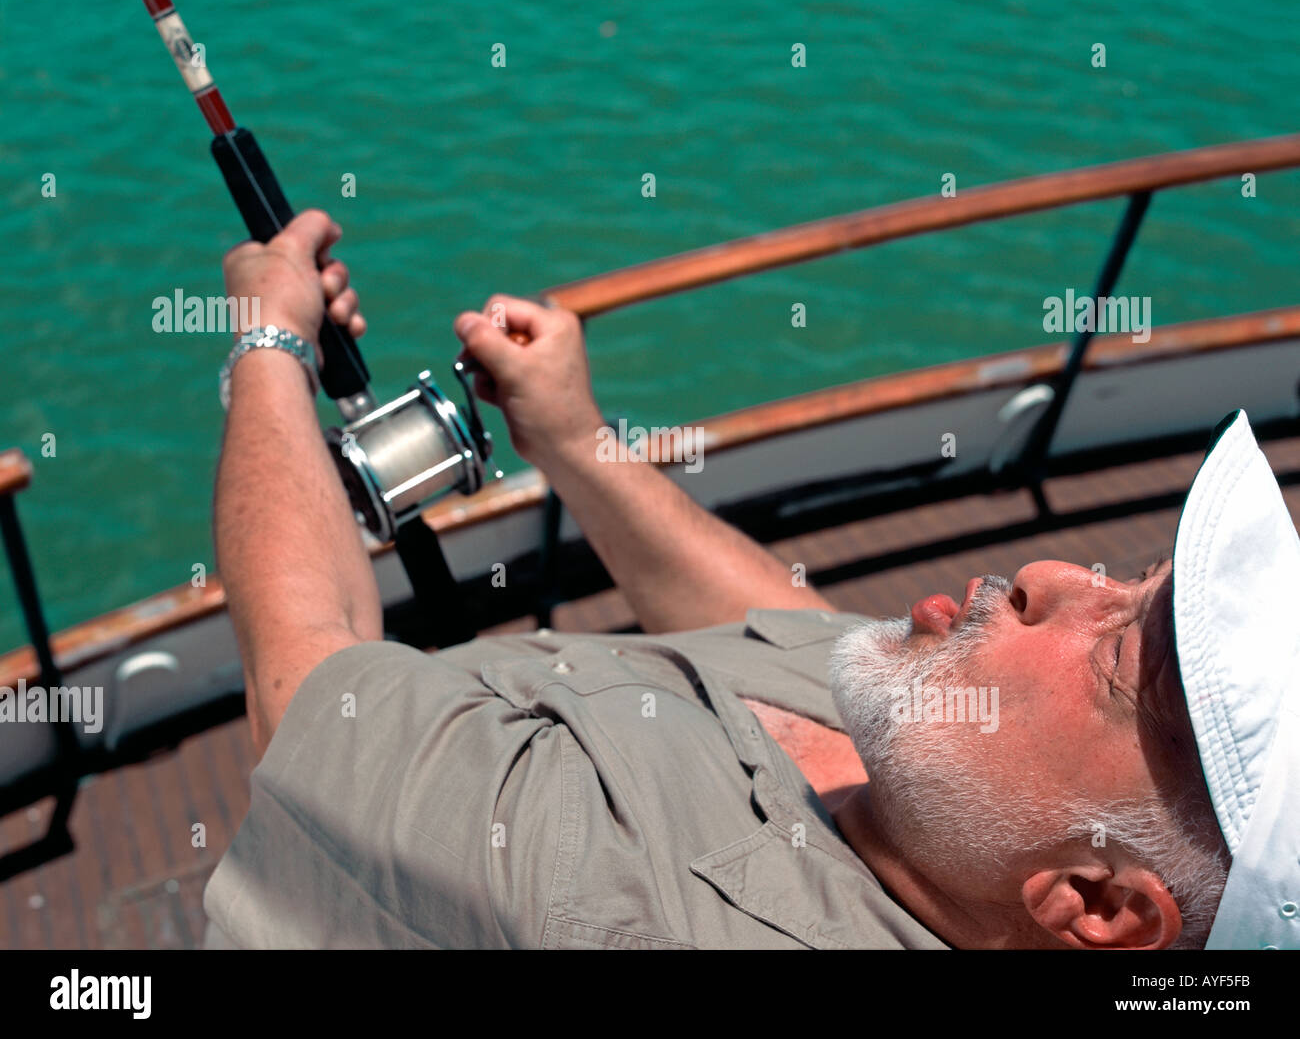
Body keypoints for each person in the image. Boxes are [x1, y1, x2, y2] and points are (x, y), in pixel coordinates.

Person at [203, 211, 1298, 950]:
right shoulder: (945, 792)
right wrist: (580, 443)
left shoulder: (610, 898)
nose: (1057, 572)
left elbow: (302, 688)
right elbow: (781, 636)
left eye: (1117, 658)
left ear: (1097, 905)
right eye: (1135, 580)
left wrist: (268, 341)